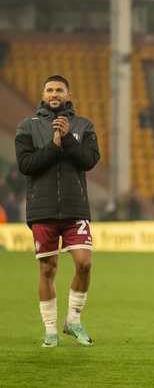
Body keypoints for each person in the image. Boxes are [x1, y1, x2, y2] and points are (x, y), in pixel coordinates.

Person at [15, 75, 100, 348]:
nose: (54, 94)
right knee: (48, 270)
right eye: (50, 90)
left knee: (84, 263)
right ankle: (51, 329)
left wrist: (67, 138)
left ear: (68, 94)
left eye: (59, 90)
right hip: (42, 209)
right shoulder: (26, 126)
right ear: (43, 95)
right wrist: (54, 146)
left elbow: (89, 160)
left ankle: (73, 321)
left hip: (76, 208)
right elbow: (26, 164)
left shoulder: (83, 125)